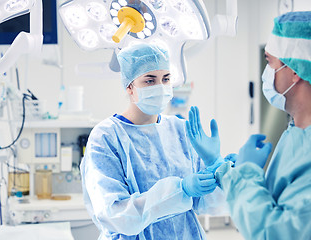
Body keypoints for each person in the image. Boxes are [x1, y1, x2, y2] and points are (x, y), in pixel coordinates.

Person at [80, 43, 227, 240]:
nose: (160, 87)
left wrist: (218, 171)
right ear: (130, 87)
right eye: (149, 81)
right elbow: (114, 215)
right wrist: (180, 190)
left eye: (166, 79)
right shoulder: (107, 136)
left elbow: (207, 204)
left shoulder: (180, 129)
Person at [187, 11, 311, 240]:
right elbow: (272, 201)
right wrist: (221, 168)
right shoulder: (296, 133)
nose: (267, 74)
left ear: (294, 71)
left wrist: (246, 172)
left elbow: (275, 232)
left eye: (269, 62)